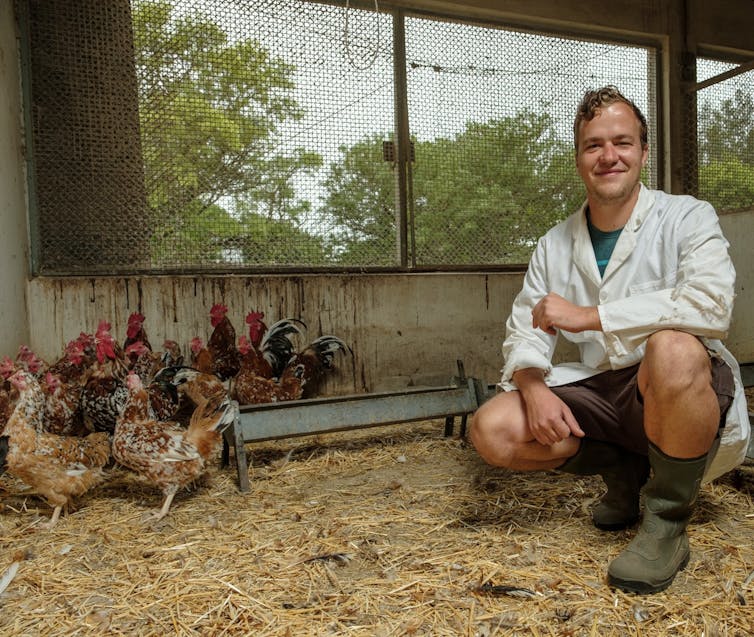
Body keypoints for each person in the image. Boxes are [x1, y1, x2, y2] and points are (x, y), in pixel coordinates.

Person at [469, 85, 751, 595]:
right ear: (579, 159)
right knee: (493, 429)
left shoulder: (687, 216)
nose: (609, 156)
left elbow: (711, 306)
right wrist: (532, 387)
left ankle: (666, 521)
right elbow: (525, 328)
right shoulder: (553, 244)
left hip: (678, 384)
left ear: (643, 152)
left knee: (672, 346)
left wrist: (592, 316)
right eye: (593, 145)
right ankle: (625, 470)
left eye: (622, 142)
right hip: (606, 388)